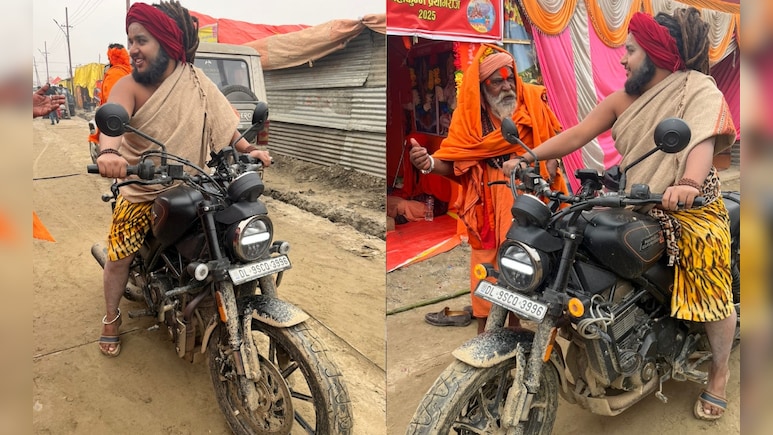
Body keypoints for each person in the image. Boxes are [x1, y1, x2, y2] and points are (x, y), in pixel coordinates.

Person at [502, 8, 736, 421]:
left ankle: (719, 372)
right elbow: (578, 133)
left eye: (630, 51)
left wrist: (689, 183)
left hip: (692, 208)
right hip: (635, 201)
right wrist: (528, 157)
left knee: (707, 279)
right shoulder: (621, 101)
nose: (623, 59)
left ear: (656, 55)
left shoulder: (698, 90)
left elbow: (700, 141)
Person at [94, 0, 271, 357]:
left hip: (193, 186)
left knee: (229, 233)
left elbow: (224, 126)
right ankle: (111, 317)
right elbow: (112, 128)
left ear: (166, 42)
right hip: (142, 189)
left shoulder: (197, 81)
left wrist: (248, 149)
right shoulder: (129, 86)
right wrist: (110, 153)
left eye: (141, 40)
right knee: (120, 257)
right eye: (130, 41)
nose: (133, 49)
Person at [409, 44, 569, 334]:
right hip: (486, 201)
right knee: (486, 267)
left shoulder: (533, 104)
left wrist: (548, 167)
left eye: (510, 79)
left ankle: (517, 330)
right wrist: (429, 162)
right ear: (482, 88)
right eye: (497, 81)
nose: (507, 87)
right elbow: (455, 163)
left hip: (527, 197)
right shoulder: (469, 119)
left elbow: (553, 142)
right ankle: (484, 332)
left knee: (524, 262)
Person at [88, 43, 132, 144]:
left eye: (109, 58)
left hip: (114, 120)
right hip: (127, 119)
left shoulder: (114, 73)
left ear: (112, 57)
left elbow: (110, 100)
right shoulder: (128, 71)